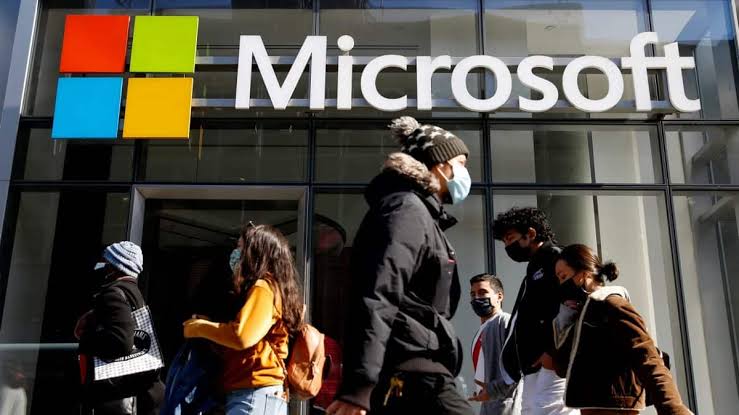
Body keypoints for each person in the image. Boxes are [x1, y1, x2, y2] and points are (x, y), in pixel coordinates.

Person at [327, 116, 474, 415]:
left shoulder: (421, 214)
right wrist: (359, 385)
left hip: (418, 372)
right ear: (439, 165)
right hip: (412, 375)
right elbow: (378, 293)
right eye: (461, 163)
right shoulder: (406, 209)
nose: (466, 173)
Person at [553, 244, 692, 415]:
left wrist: (673, 409)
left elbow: (647, 357)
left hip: (615, 409)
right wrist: (566, 318)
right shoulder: (583, 314)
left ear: (583, 274)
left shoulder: (612, 304)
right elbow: (562, 368)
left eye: (563, 276)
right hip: (594, 408)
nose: (561, 284)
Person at [183, 224, 304, 415]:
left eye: (240, 247)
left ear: (255, 252)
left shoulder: (263, 287)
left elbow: (242, 336)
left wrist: (199, 327)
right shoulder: (271, 287)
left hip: (255, 391)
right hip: (254, 392)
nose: (236, 253)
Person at [492, 207, 577, 415]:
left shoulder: (557, 258)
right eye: (504, 241)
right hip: (532, 367)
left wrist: (552, 353)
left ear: (530, 234)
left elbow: (574, 306)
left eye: (510, 238)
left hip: (551, 364)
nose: (507, 246)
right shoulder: (534, 267)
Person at [76, 241, 164, 415]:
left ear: (115, 266)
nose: (101, 266)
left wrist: (87, 337)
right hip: (134, 391)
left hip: (114, 396)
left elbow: (121, 341)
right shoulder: (133, 293)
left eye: (105, 262)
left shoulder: (112, 294)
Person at [468, 274, 521, 415]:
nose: (476, 298)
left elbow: (516, 369)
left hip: (506, 407)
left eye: (482, 292)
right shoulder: (482, 330)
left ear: (499, 296)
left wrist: (493, 391)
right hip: (488, 406)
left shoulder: (505, 322)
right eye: (473, 294)